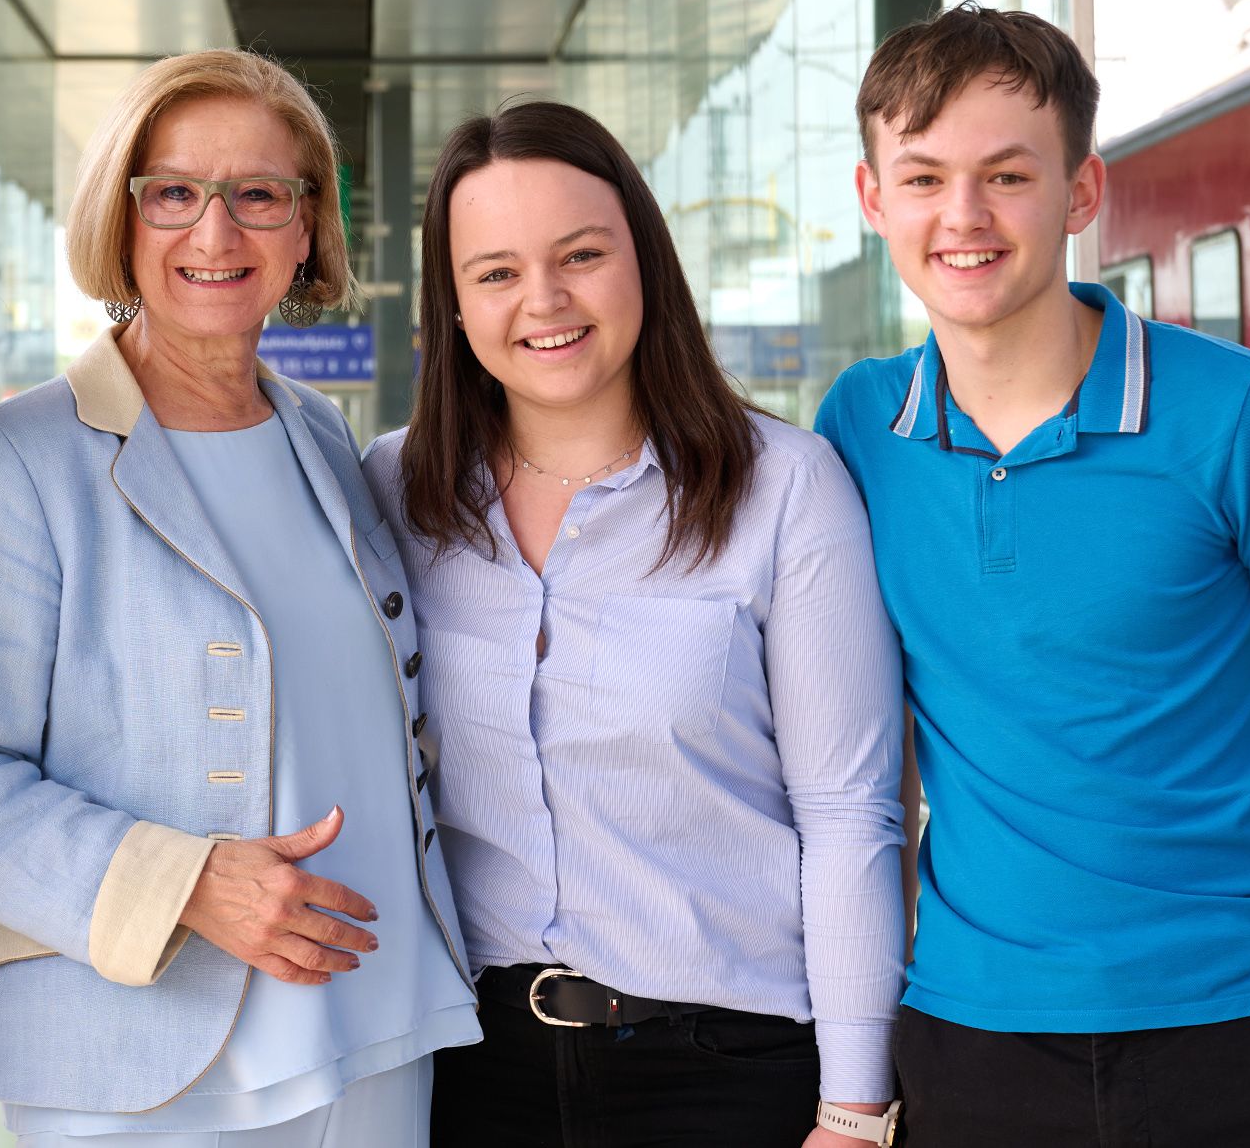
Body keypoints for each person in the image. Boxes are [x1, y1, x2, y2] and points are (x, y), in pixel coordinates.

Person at [814, 3, 1250, 1147]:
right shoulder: (857, 427)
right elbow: (867, 756)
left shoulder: (1242, 416)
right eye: (925, 177)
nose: (963, 217)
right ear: (871, 197)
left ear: (1081, 192)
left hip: (1235, 1028)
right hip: (964, 1033)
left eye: (1006, 175)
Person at [0, 49, 477, 1147]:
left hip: (373, 1026)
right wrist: (184, 883)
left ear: (306, 229)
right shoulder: (12, 463)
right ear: (121, 219)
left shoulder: (317, 436)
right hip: (139, 1064)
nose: (215, 235)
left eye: (258, 194)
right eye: (172, 192)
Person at [362, 100, 907, 1148]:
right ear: (455, 308)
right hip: (470, 1072)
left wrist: (852, 1108)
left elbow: (847, 816)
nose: (545, 300)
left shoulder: (783, 489)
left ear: (644, 263)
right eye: (496, 272)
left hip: (726, 1070)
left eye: (579, 254)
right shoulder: (396, 490)